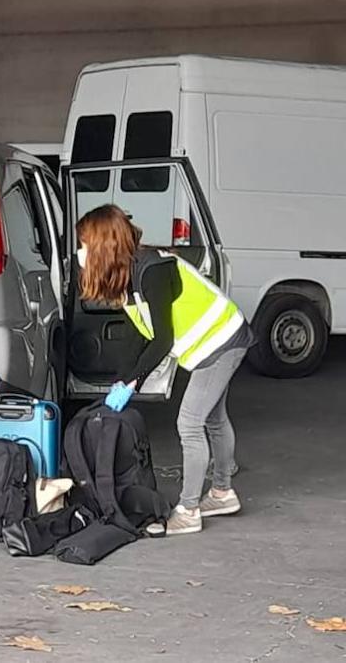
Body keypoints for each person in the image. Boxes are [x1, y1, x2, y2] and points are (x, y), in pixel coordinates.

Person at [76, 204, 252, 536]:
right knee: (213, 418)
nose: (80, 253)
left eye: (84, 244)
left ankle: (188, 511)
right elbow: (138, 335)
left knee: (190, 423)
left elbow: (162, 340)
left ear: (102, 245)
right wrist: (120, 380)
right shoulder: (126, 277)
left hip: (224, 340)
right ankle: (222, 493)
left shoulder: (153, 270)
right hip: (213, 344)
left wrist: (135, 381)